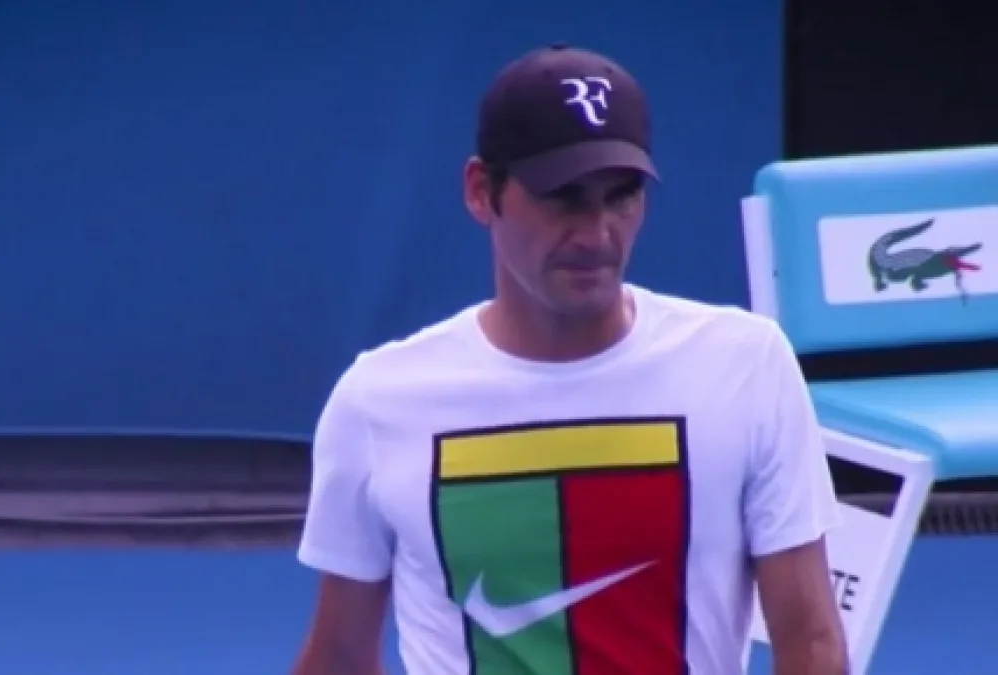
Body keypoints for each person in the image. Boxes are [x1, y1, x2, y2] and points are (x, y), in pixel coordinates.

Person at [292, 43, 848, 675]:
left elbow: (811, 642)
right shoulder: (377, 400)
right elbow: (338, 658)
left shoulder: (748, 365)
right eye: (564, 197)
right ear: (481, 192)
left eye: (621, 196)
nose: (596, 234)